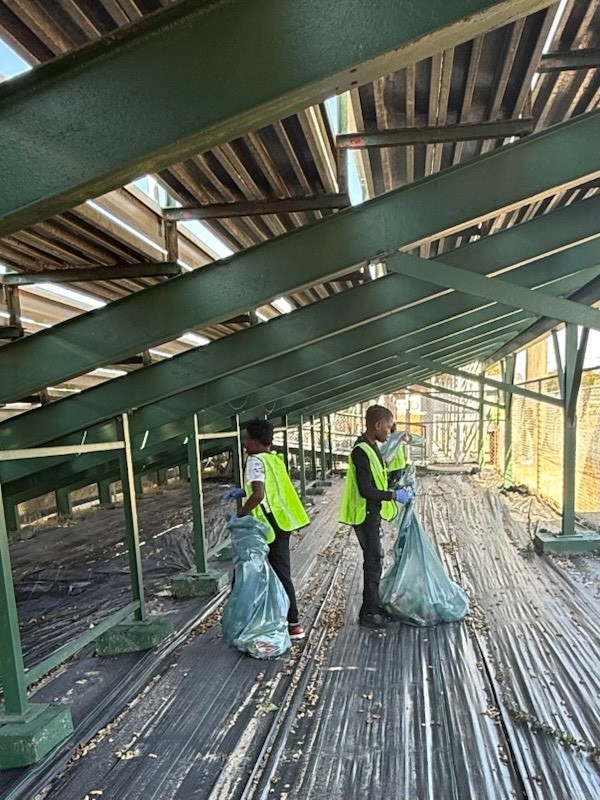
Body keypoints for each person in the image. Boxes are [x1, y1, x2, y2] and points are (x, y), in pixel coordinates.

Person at [223, 418, 310, 640]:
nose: (244, 444)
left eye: (247, 439)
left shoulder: (254, 461)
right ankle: (294, 623)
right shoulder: (275, 460)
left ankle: (243, 620)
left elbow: (259, 494)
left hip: (264, 527)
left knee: (248, 572)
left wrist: (239, 514)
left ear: (254, 441)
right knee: (282, 573)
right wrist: (242, 491)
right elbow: (266, 489)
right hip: (282, 523)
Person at [339, 405, 414, 629]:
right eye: (388, 428)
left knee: (376, 560)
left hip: (373, 512)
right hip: (364, 513)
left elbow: (379, 479)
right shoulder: (361, 450)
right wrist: (393, 495)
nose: (389, 433)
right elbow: (366, 489)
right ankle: (368, 612)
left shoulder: (373, 448)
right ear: (377, 425)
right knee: (372, 562)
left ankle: (374, 604)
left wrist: (399, 487)